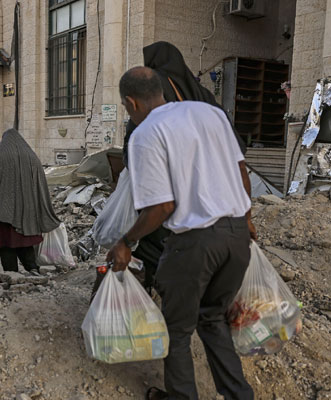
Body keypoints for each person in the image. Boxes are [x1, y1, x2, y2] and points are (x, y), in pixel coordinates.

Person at [107, 67, 255, 400]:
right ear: (160, 91)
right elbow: (241, 172)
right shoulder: (210, 113)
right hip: (237, 237)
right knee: (213, 319)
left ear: (130, 103)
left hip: (195, 244)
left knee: (176, 329)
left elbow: (161, 207)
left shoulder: (146, 134)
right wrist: (246, 219)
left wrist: (126, 241)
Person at [123, 41, 253, 289]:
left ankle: (162, 290)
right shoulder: (203, 97)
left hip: (174, 198)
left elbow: (136, 150)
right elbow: (238, 160)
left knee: (154, 240)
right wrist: (246, 217)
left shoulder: (153, 98)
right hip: (218, 202)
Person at [0, 129, 60, 274]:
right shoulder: (31, 156)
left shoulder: (0, 156)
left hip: (4, 212)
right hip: (28, 211)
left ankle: (11, 273)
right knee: (25, 241)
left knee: (6, 243)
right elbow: (40, 183)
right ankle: (32, 268)